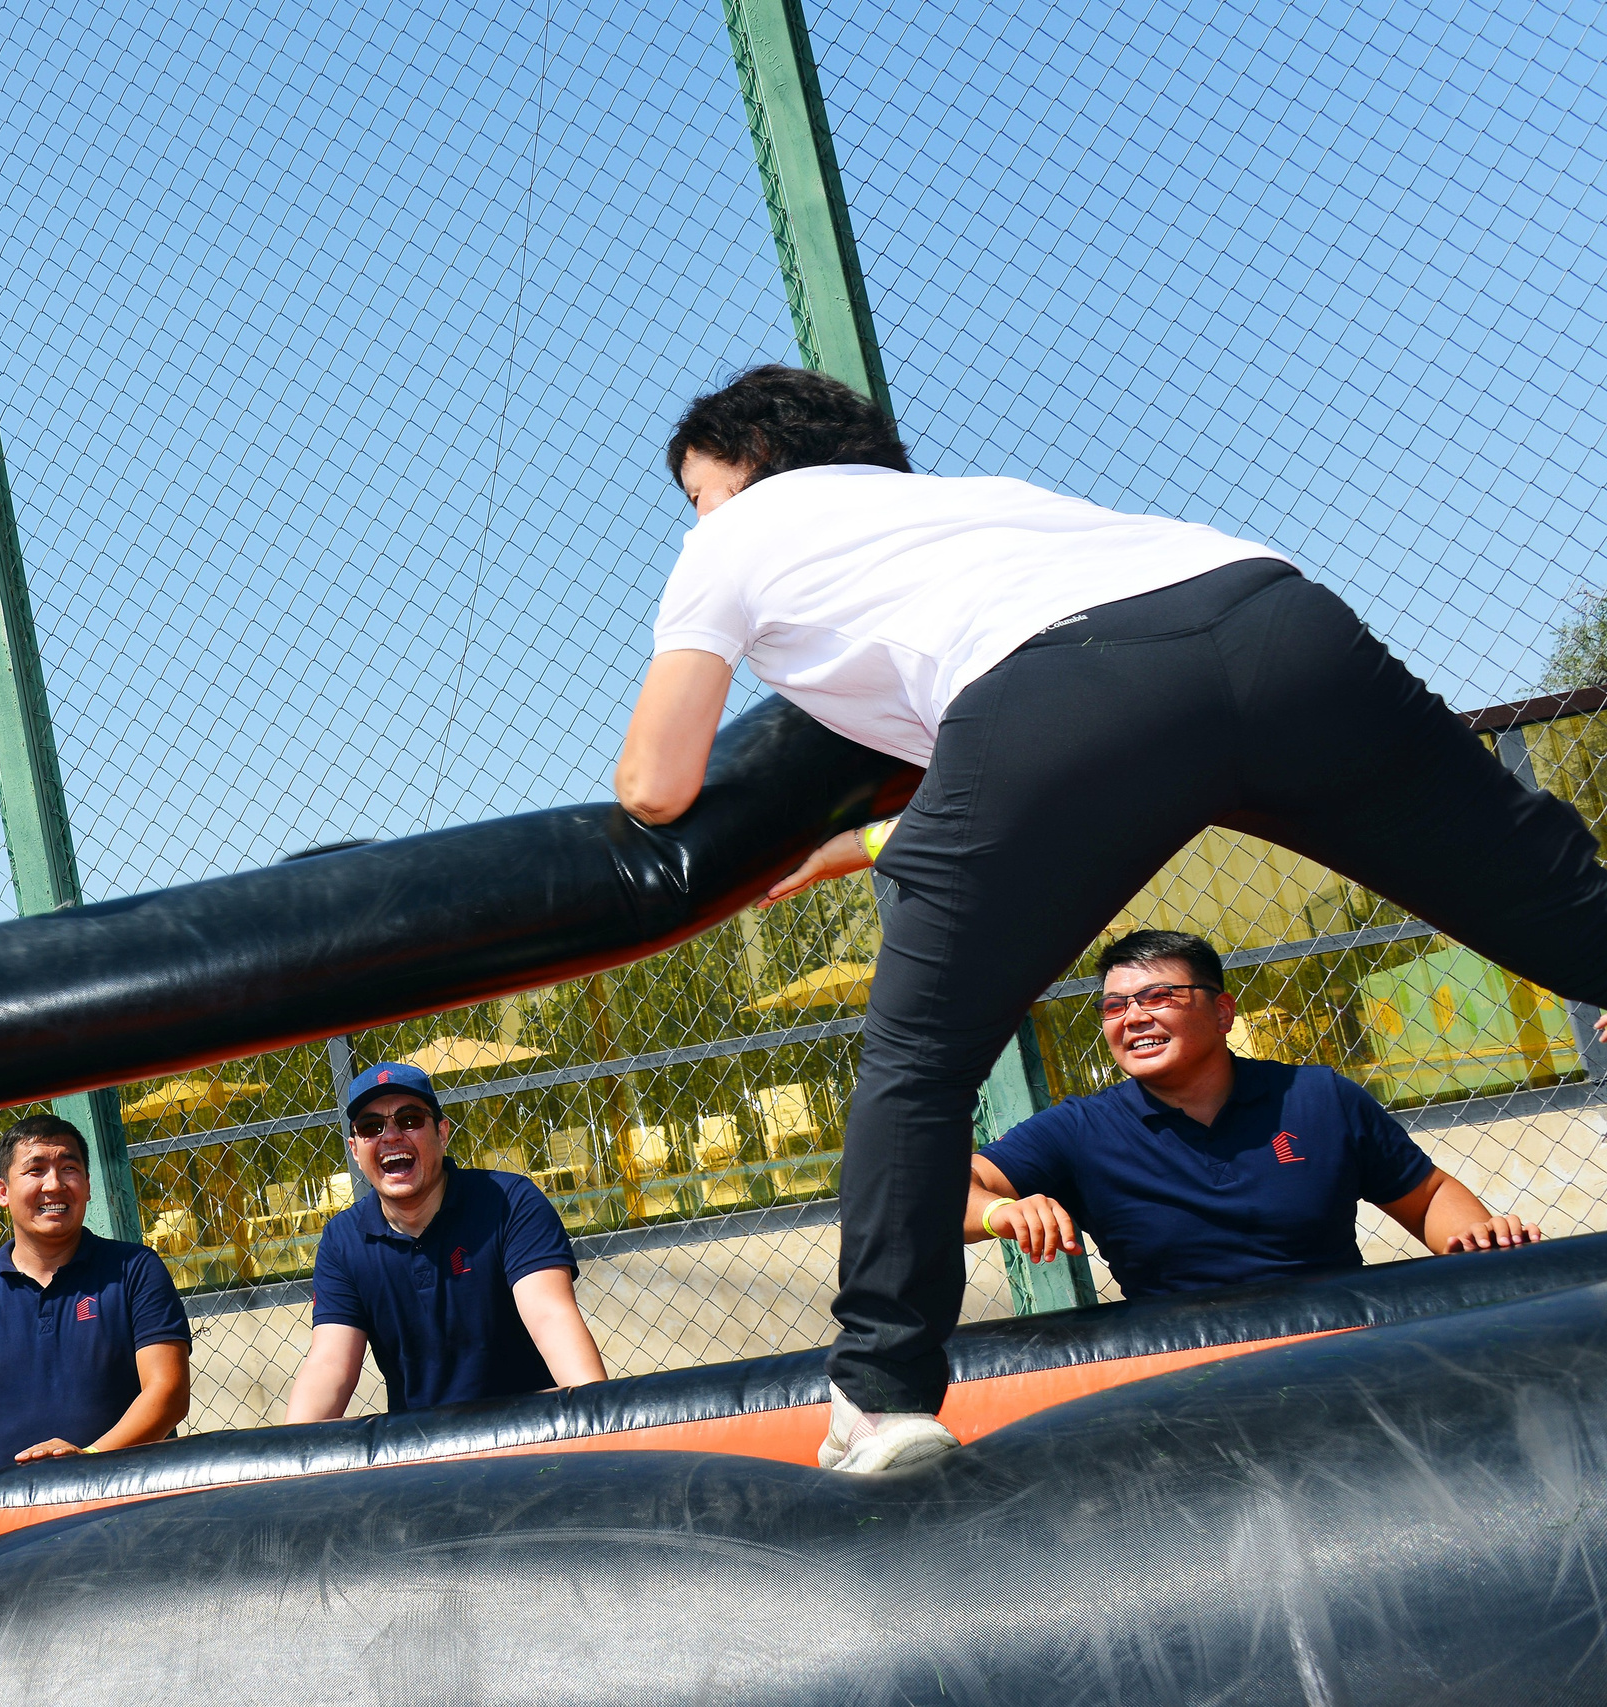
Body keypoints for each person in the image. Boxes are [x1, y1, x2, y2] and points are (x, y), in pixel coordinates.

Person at [615, 364, 1607, 1474]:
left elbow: (657, 782)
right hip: (1272, 613)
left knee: (918, 1060)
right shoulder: (980, 504)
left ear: (746, 467)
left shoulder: (735, 536)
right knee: (1552, 897)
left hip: (1061, 687)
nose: (696, 517)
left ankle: (882, 1394)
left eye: (697, 493)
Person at [970, 930, 1538, 1296]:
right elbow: (945, 1191)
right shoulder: (1080, 1130)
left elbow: (1428, 1193)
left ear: (1221, 1012)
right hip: (1183, 1371)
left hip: (1343, 1344)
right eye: (1115, 1007)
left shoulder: (1318, 1097)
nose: (1133, 1017)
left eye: (1158, 997)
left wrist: (1476, 1240)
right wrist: (1000, 1212)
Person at [285, 1062, 607, 1421]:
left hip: (528, 1432)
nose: (390, 1136)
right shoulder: (342, 1240)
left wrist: (599, 1420)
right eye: (371, 1127)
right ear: (356, 1150)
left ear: (442, 1132)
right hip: (421, 1451)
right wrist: (289, 1463)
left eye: (409, 1119)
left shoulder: (509, 1201)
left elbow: (550, 1317)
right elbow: (330, 1363)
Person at [0, 1115, 191, 1477]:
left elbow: (167, 1392)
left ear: (88, 1185)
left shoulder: (134, 1269)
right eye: (36, 1170)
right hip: (17, 1520)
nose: (55, 1184)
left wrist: (89, 1459)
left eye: (69, 1168)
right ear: (3, 1192)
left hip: (135, 1502)